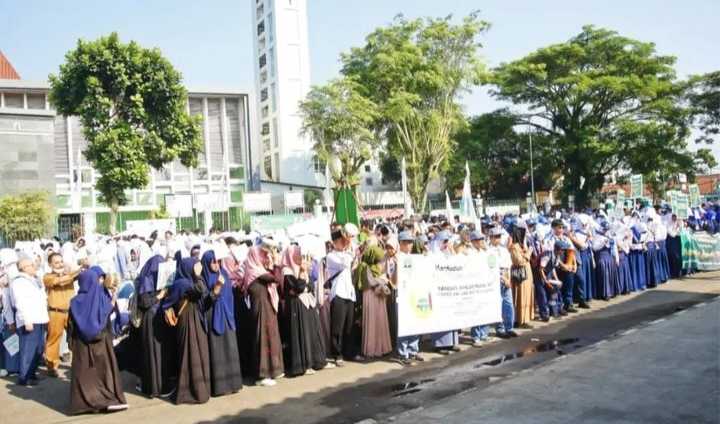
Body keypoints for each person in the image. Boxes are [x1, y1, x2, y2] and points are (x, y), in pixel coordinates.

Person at [68, 269, 127, 413]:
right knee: (103, 371)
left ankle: (83, 403)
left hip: (81, 345)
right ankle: (105, 399)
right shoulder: (100, 298)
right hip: (101, 343)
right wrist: (112, 301)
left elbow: (71, 324)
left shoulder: (75, 301)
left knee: (84, 373)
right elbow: (104, 316)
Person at [161, 258, 212, 404]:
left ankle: (200, 387)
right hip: (187, 320)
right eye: (196, 267)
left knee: (198, 351)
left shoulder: (188, 281)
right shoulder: (182, 283)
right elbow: (199, 290)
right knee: (190, 352)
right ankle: (189, 390)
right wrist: (197, 276)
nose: (199, 269)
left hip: (194, 318)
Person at [200, 250, 243, 396]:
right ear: (206, 263)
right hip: (213, 318)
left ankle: (233, 383)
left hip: (227, 316)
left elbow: (230, 297)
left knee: (230, 349)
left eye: (218, 261)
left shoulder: (224, 274)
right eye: (213, 262)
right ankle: (220, 387)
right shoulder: (203, 279)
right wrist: (216, 289)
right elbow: (204, 302)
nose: (216, 264)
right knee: (217, 351)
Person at [280, 245, 328, 376]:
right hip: (297, 306)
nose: (298, 256)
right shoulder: (287, 271)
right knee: (302, 333)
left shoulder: (302, 268)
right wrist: (302, 274)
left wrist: (304, 274)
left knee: (313, 331)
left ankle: (316, 361)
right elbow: (299, 288)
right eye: (296, 254)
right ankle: (303, 365)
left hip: (308, 304)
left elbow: (311, 286)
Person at [242, 245, 284, 386]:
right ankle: (262, 374)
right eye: (261, 255)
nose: (264, 257)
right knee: (262, 340)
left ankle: (272, 370)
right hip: (261, 309)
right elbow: (276, 279)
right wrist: (276, 263)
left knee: (270, 338)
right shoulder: (255, 272)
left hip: (266, 308)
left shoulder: (257, 271)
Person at [133, 255, 175, 398]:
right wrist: (160, 295)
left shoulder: (157, 280)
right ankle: (154, 387)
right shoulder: (147, 281)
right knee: (152, 353)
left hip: (158, 318)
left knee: (161, 352)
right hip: (150, 319)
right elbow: (144, 302)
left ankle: (160, 384)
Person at [9, 258, 49, 387]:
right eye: (32, 265)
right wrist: (27, 320)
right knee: (28, 349)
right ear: (24, 267)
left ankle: (31, 374)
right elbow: (20, 302)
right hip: (29, 320)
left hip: (39, 318)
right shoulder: (19, 282)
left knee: (39, 348)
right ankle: (24, 377)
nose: (34, 266)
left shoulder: (34, 280)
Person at [42, 252, 80, 378]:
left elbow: (79, 273)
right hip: (55, 312)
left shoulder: (68, 274)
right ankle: (52, 366)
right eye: (56, 262)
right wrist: (70, 273)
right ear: (50, 264)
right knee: (53, 340)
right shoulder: (47, 277)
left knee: (75, 338)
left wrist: (71, 268)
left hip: (70, 311)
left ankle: (79, 363)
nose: (59, 264)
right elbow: (60, 281)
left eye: (61, 261)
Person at [357, 243, 393, 359]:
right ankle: (372, 349)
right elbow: (370, 282)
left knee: (380, 321)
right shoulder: (364, 267)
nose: (380, 262)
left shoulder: (377, 267)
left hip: (378, 296)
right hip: (370, 296)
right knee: (372, 321)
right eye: (378, 259)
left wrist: (381, 281)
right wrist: (382, 281)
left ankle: (382, 347)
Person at [327, 229, 357, 366]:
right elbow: (345, 263)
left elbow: (353, 260)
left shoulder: (346, 253)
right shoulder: (331, 256)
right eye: (340, 241)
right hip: (338, 293)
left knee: (350, 325)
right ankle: (337, 354)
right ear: (334, 242)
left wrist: (349, 244)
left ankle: (350, 352)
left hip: (349, 292)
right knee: (337, 326)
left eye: (343, 240)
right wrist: (348, 246)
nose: (342, 243)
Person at [395, 231, 423, 364]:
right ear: (400, 243)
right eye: (406, 242)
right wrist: (396, 267)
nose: (409, 245)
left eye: (410, 242)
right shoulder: (396, 258)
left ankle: (413, 350)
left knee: (415, 323)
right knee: (404, 324)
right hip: (402, 295)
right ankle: (402, 353)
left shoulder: (413, 258)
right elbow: (393, 280)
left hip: (414, 293)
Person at [488, 227, 516, 338]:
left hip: (506, 275)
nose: (498, 239)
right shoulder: (488, 251)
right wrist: (503, 278)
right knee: (498, 304)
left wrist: (508, 279)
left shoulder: (503, 250)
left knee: (508, 304)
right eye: (495, 237)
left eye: (499, 236)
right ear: (490, 238)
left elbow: (508, 266)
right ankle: (500, 328)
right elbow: (492, 267)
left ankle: (509, 327)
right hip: (496, 278)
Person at [509, 225, 534, 327]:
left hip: (527, 275)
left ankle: (525, 318)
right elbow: (519, 261)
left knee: (527, 296)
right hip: (521, 276)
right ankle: (520, 320)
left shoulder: (521, 246)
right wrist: (528, 253)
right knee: (521, 297)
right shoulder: (514, 247)